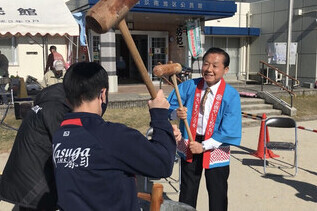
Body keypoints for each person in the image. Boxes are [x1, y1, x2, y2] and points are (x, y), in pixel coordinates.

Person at [52, 62, 179, 210]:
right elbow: (161, 164)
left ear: (67, 98)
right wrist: (160, 117)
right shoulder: (112, 135)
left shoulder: (60, 136)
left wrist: (164, 139)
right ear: (103, 94)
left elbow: (106, 158)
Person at [167, 47, 242, 211]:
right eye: (206, 64)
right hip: (191, 142)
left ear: (225, 69)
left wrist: (204, 146)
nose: (209, 69)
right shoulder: (188, 86)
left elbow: (229, 129)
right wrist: (175, 113)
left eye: (215, 66)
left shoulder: (231, 95)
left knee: (218, 192)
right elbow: (168, 108)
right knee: (187, 189)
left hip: (216, 145)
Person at [0, 83, 72, 211]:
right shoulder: (56, 109)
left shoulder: (45, 105)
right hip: (34, 188)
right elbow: (67, 150)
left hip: (23, 181)